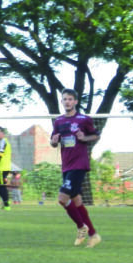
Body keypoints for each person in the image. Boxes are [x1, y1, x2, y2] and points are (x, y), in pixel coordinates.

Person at [50, 89, 101, 248]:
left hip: (79, 164)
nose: (67, 102)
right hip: (66, 165)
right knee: (76, 200)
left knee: (62, 198)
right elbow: (53, 142)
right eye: (65, 99)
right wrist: (54, 141)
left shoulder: (84, 119)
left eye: (70, 99)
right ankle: (93, 235)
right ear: (62, 102)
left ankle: (81, 227)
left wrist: (84, 138)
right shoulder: (58, 121)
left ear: (76, 102)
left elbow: (95, 135)